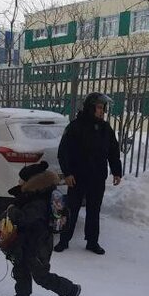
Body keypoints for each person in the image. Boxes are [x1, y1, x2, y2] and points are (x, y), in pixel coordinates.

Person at [2, 161, 81, 296]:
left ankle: (71, 289)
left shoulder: (38, 200)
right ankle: (22, 295)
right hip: (28, 240)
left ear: (31, 182)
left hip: (39, 244)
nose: (19, 182)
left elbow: (26, 218)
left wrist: (12, 211)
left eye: (22, 180)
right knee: (20, 265)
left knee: (41, 276)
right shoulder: (32, 195)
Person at [55, 93, 123, 255]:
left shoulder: (105, 129)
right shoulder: (75, 127)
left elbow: (113, 151)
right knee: (71, 209)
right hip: (77, 177)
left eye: (103, 108)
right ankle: (64, 240)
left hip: (97, 177)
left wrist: (116, 171)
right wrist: (68, 173)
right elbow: (63, 152)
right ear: (90, 108)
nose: (102, 111)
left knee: (94, 210)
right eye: (99, 108)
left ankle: (92, 242)